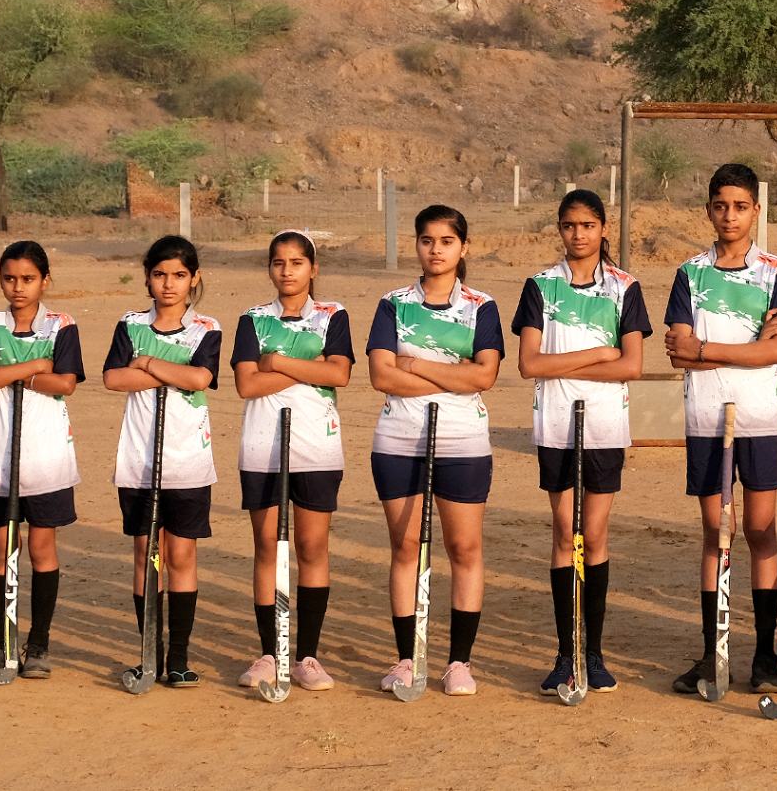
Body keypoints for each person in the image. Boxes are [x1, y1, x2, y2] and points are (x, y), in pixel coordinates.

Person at [664, 164, 777, 696]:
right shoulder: (690, 273)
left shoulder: (774, 271)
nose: (730, 215)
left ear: (756, 212)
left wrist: (709, 350)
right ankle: (711, 649)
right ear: (709, 210)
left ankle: (764, 653)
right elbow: (678, 352)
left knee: (763, 531)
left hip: (761, 417)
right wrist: (741, 351)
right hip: (705, 418)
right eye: (721, 205)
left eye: (740, 206)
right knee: (718, 533)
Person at [514, 189, 650, 695]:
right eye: (570, 226)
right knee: (561, 534)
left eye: (588, 226)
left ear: (603, 229)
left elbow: (632, 365)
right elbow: (531, 363)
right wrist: (596, 352)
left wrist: (571, 361)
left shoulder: (624, 288)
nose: (579, 234)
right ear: (560, 229)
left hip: (604, 428)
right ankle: (563, 653)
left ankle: (592, 652)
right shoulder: (540, 286)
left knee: (592, 536)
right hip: (555, 425)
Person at [368, 204, 505, 697]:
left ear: (463, 247)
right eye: (427, 240)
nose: (436, 250)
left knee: (463, 548)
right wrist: (454, 370)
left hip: (463, 442)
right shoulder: (393, 304)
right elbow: (381, 375)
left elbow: (484, 377)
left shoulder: (481, 306)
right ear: (417, 245)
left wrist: (417, 365)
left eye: (447, 241)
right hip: (399, 441)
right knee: (406, 547)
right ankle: (406, 658)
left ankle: (459, 663)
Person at [232, 231, 354, 691]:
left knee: (311, 547)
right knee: (268, 546)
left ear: (313, 269)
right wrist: (307, 365)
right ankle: (269, 652)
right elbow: (246, 385)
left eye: (297, 263)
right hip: (263, 445)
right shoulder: (253, 319)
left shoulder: (333, 315)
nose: (288, 271)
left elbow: (338, 372)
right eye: (279, 263)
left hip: (316, 446)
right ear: (270, 268)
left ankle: (307, 656)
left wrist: (275, 362)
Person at [0, 240, 83, 681]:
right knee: (2, 548)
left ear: (45, 280)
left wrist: (14, 373)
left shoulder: (61, 324)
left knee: (41, 547)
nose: (18, 287)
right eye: (9, 278)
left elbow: (65, 383)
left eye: (28, 279)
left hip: (46, 452)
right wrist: (34, 368)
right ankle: (4, 640)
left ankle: (40, 643)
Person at [105, 235, 223, 688]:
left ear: (193, 279)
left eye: (178, 275)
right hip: (137, 458)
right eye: (159, 275)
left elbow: (199, 377)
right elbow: (114, 378)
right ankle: (148, 652)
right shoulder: (130, 323)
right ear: (148, 278)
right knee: (145, 553)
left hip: (188, 457)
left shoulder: (206, 327)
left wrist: (150, 362)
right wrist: (165, 371)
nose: (168, 284)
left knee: (181, 553)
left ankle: (179, 657)